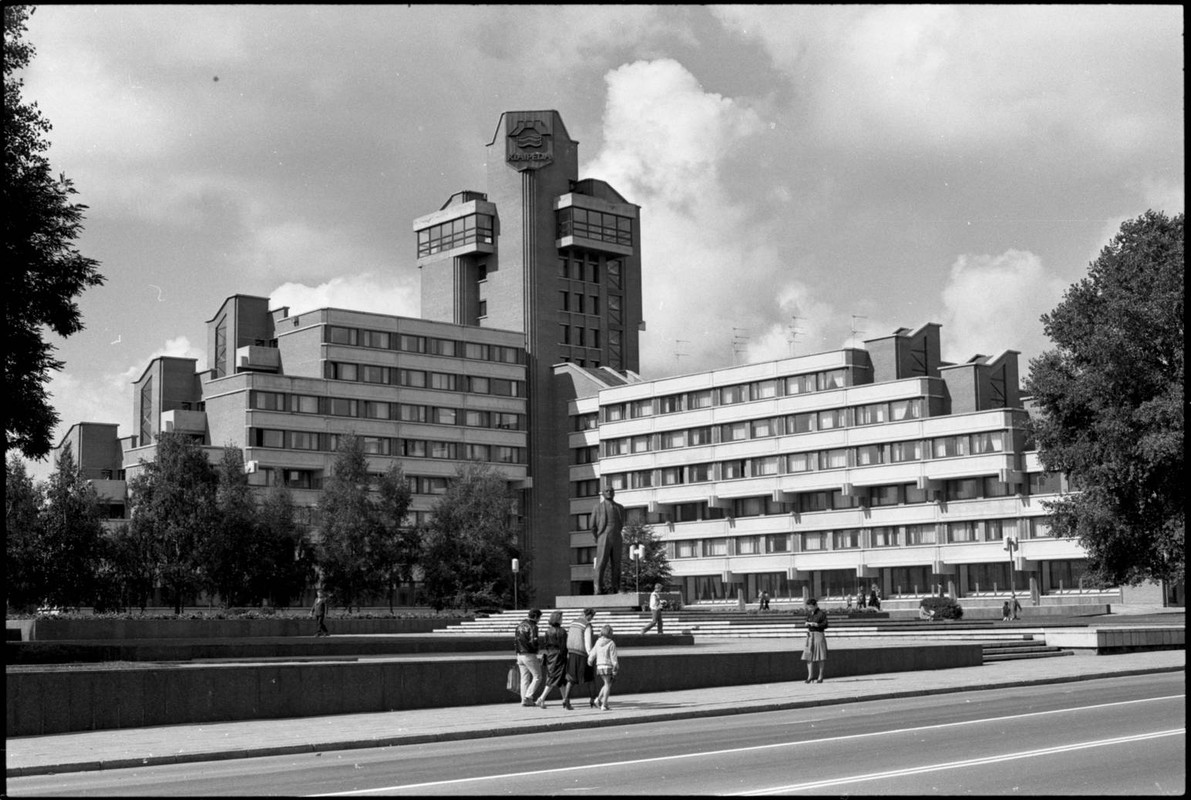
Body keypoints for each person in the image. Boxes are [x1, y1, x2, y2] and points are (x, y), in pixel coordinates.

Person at [561, 607, 598, 710]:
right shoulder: (587, 625)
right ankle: (592, 700)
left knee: (571, 678)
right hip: (582, 654)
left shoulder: (573, 623)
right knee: (590, 678)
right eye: (592, 616)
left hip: (572, 652)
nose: (592, 618)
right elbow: (587, 642)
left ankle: (566, 700)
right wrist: (591, 655)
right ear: (589, 615)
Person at [590, 487, 625, 594]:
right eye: (607, 491)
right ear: (603, 494)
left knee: (617, 564)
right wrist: (598, 538)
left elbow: (621, 523)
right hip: (603, 536)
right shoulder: (598, 507)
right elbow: (592, 526)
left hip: (617, 536)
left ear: (614, 493)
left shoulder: (620, 507)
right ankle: (597, 588)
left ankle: (616, 588)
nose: (609, 492)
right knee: (601, 563)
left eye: (611, 491)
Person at [535, 611, 568, 708]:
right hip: (559, 657)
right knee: (554, 679)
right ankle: (541, 698)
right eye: (561, 618)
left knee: (560, 680)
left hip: (550, 655)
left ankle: (565, 700)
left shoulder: (548, 631)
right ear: (558, 619)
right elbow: (563, 646)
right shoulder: (562, 631)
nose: (562, 620)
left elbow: (545, 644)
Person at [514, 608, 543, 707]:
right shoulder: (533, 626)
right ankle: (528, 696)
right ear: (535, 616)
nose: (539, 620)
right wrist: (537, 649)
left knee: (524, 678)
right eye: (539, 618)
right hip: (529, 654)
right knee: (538, 676)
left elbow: (516, 640)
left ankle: (524, 700)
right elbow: (533, 641)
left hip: (519, 654)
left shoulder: (520, 625)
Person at [587, 624, 620, 710]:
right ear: (610, 633)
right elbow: (613, 657)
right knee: (608, 685)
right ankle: (604, 704)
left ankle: (598, 700)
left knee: (606, 684)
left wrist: (590, 660)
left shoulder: (598, 642)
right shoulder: (611, 643)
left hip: (599, 666)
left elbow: (593, 652)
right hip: (608, 665)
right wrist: (615, 666)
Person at [802, 597, 829, 683]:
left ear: (815, 606)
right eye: (808, 607)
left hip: (818, 634)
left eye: (810, 607)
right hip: (810, 635)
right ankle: (810, 676)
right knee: (808, 656)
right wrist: (807, 623)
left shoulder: (821, 614)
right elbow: (807, 621)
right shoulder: (810, 614)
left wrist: (816, 624)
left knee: (820, 656)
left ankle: (820, 676)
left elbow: (825, 624)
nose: (809, 608)